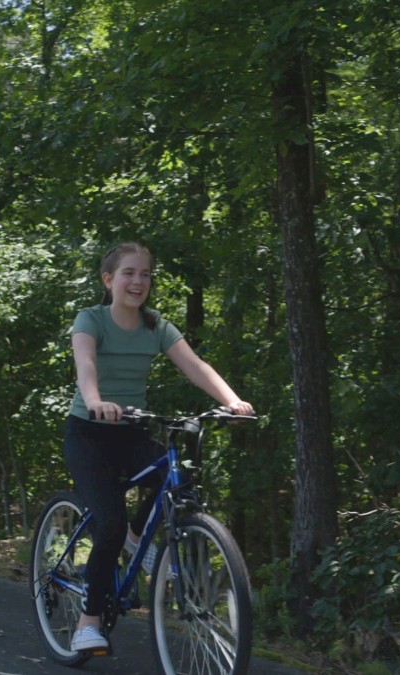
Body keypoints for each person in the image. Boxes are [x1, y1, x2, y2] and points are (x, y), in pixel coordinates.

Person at [63, 241, 254, 653]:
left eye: (145, 274)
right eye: (129, 273)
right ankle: (88, 622)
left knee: (175, 474)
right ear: (108, 279)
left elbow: (195, 366)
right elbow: (87, 364)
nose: (138, 281)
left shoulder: (156, 326)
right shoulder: (90, 319)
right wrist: (95, 401)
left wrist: (231, 401)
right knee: (108, 524)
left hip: (131, 432)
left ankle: (138, 534)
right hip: (90, 434)